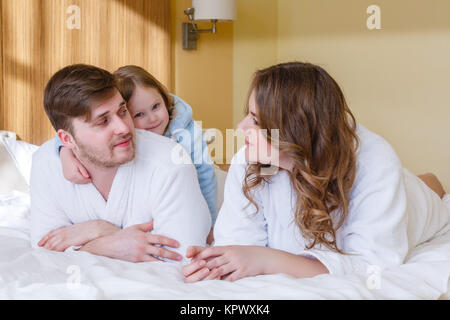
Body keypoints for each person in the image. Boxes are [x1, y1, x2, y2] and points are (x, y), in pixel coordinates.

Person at [181, 61, 450, 282]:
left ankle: (432, 184)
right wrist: (216, 263)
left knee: (428, 193)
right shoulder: (247, 159)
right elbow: (238, 243)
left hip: (416, 206)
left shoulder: (375, 160)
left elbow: (373, 265)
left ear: (294, 130)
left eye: (255, 120)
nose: (240, 129)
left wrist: (265, 259)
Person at [30, 64, 211, 263]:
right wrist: (106, 240)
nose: (124, 127)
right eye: (103, 121)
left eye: (123, 111)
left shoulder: (172, 160)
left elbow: (181, 257)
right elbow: (46, 251)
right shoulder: (46, 163)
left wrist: (90, 238)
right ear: (66, 140)